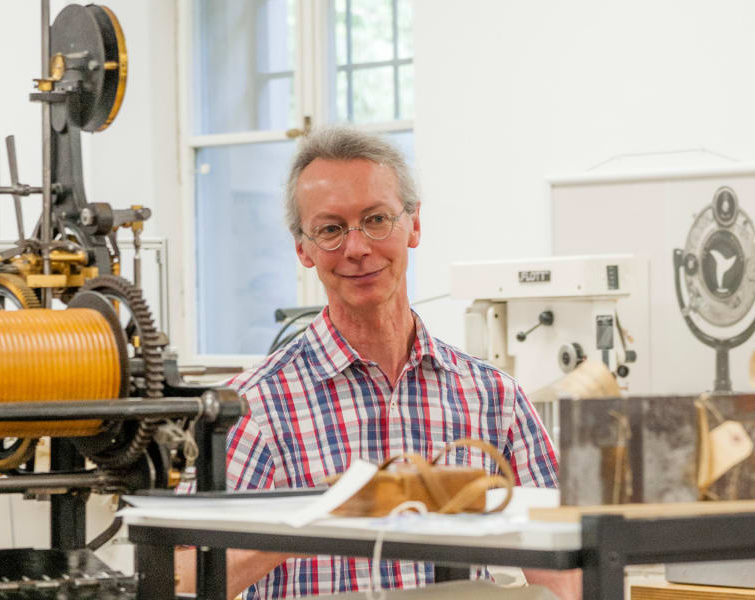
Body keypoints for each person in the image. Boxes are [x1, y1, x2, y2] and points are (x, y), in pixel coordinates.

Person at [221, 127, 580, 599]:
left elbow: (564, 567)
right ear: (302, 248)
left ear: (413, 225)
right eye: (330, 229)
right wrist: (314, 521)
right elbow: (184, 576)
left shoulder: (493, 398)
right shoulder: (254, 406)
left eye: (376, 219)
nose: (356, 248)